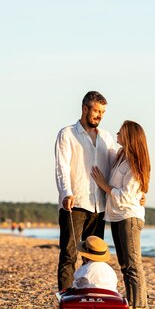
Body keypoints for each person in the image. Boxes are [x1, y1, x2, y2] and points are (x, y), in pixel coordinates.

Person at [54, 91, 118, 291]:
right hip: (75, 204)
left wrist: (136, 192)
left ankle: (89, 295)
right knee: (69, 255)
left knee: (94, 258)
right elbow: (61, 167)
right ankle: (65, 299)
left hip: (99, 207)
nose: (100, 115)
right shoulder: (67, 134)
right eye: (97, 111)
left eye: (103, 112)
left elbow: (118, 167)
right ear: (85, 109)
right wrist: (66, 192)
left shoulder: (106, 138)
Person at [91, 120, 150, 309]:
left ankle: (139, 308)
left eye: (121, 131)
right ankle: (132, 305)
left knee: (133, 263)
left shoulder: (136, 164)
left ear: (130, 136)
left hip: (129, 217)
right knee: (125, 264)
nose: (117, 133)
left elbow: (126, 196)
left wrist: (103, 185)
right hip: (117, 216)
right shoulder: (121, 157)